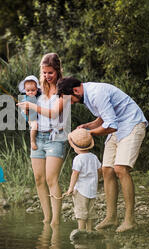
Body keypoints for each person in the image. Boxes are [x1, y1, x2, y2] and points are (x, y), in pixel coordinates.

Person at [56, 77, 148, 232]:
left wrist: (89, 133)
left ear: (76, 90)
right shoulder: (87, 96)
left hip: (132, 123)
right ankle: (111, 217)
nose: (70, 103)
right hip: (118, 126)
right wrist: (87, 126)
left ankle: (129, 220)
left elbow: (111, 125)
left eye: (70, 100)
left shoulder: (96, 93)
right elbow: (104, 117)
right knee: (107, 170)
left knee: (120, 169)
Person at [16, 53, 66, 226]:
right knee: (39, 179)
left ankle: (55, 220)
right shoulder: (38, 90)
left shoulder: (63, 89)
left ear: (58, 70)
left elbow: (55, 113)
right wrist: (26, 110)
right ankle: (46, 217)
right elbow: (31, 114)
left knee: (51, 179)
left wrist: (32, 106)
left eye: (50, 72)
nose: (47, 76)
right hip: (38, 137)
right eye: (44, 73)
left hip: (55, 137)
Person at [63, 128, 102, 236]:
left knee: (81, 211)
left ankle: (81, 231)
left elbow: (75, 174)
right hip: (92, 189)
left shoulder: (78, 159)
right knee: (90, 210)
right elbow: (100, 170)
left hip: (81, 190)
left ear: (74, 146)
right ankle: (90, 231)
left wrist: (71, 188)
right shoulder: (94, 157)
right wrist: (96, 180)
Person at [18, 75, 41, 150]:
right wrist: (24, 109)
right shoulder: (25, 98)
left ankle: (37, 139)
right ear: (25, 90)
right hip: (31, 118)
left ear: (37, 89)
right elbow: (22, 106)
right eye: (28, 91)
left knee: (37, 127)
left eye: (33, 90)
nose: (30, 92)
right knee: (34, 126)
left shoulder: (39, 97)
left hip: (38, 116)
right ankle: (32, 141)